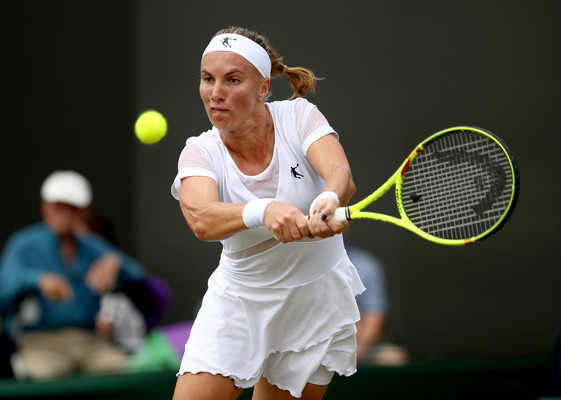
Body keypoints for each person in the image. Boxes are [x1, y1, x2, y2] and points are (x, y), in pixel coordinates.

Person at [170, 27, 364, 400]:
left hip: (314, 299)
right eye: (208, 79)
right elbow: (201, 218)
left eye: (233, 80)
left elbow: (340, 175)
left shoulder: (298, 116)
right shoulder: (199, 151)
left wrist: (327, 198)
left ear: (262, 88)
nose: (216, 93)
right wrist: (264, 211)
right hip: (239, 304)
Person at [0, 170, 145, 380]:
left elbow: (141, 278)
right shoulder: (23, 245)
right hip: (40, 342)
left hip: (91, 342)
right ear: (45, 207)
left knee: (130, 374)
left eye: (73, 208)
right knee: (45, 376)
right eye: (58, 207)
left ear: (84, 211)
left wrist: (115, 261)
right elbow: (3, 288)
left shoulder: (92, 245)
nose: (65, 214)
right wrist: (36, 279)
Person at [345, 244, 409, 366]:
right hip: (307, 344)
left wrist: (360, 347)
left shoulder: (366, 264)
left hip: (356, 347)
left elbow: (375, 316)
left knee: (393, 357)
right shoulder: (300, 261)